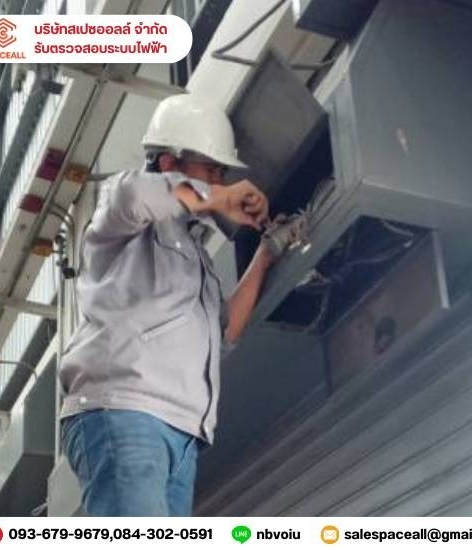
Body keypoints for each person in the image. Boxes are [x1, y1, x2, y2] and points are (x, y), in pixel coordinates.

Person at [58, 94, 298, 516]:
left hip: (183, 433)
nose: (219, 183)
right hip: (126, 410)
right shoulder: (123, 209)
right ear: (169, 163)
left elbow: (225, 331)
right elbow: (136, 196)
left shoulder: (195, 256)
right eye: (212, 170)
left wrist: (267, 253)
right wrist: (219, 197)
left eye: (222, 175)